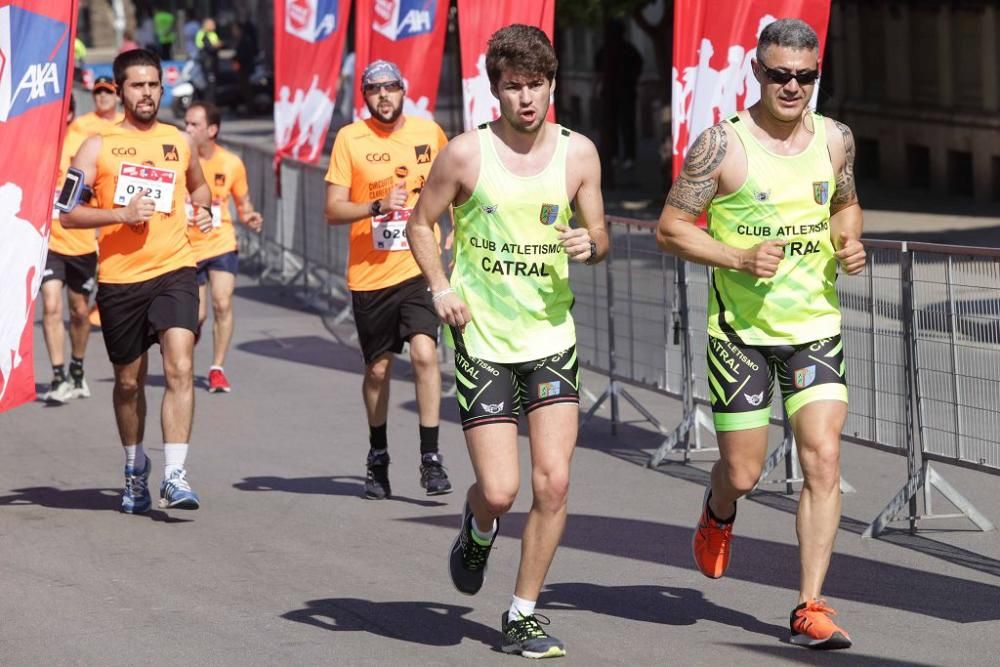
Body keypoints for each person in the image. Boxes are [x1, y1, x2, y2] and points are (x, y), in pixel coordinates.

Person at [655, 18, 865, 651]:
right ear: (757, 72)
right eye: (780, 74)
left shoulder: (835, 139)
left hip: (813, 327)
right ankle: (719, 510)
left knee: (822, 457)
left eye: (805, 76)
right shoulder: (723, 146)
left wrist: (849, 240)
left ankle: (809, 606)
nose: (793, 86)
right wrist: (739, 257)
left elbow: (845, 204)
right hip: (740, 332)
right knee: (743, 473)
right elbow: (670, 228)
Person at [406, 25, 608, 658]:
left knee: (553, 484)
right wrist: (440, 287)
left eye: (536, 85)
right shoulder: (466, 154)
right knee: (500, 490)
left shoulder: (580, 154)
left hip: (551, 337)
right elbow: (420, 223)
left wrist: (590, 244)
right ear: (495, 90)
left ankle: (522, 611)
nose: (526, 98)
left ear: (553, 85)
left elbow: (599, 234)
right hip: (483, 338)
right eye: (513, 87)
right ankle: (478, 524)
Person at [62, 49, 215, 514]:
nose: (146, 93)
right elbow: (67, 214)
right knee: (128, 383)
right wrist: (119, 215)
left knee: (180, 365)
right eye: (136, 85)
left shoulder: (178, 141)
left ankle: (175, 474)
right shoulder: (96, 145)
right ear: (119, 89)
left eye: (153, 85)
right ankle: (135, 467)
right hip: (120, 279)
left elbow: (200, 186)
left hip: (174, 269)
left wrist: (205, 208)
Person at [323, 60, 452, 500]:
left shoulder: (429, 134)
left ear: (404, 90)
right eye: (375, 89)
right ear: (365, 97)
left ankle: (431, 457)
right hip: (370, 276)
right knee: (377, 370)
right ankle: (378, 455)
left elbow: (457, 186)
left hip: (419, 268)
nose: (384, 95)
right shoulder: (350, 139)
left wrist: (454, 229)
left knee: (424, 354)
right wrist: (375, 205)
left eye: (391, 87)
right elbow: (333, 209)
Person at [184, 101, 263, 392]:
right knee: (198, 315)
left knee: (223, 301)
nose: (188, 129)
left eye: (194, 124)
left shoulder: (231, 163)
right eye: (187, 123)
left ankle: (217, 368)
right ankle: (184, 363)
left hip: (221, 242)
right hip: (188, 247)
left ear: (212, 130)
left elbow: (243, 203)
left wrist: (250, 216)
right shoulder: (180, 158)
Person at [39, 95, 97, 404]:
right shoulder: (34, 143)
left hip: (81, 242)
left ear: (70, 112)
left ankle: (77, 368)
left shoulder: (84, 144)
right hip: (48, 242)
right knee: (51, 305)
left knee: (78, 311)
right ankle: (58, 375)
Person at [594, 19, 643, 178]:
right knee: (620, 126)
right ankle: (621, 156)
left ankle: (622, 156)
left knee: (621, 125)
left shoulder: (621, 50)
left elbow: (598, 71)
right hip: (617, 94)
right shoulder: (623, 49)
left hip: (622, 93)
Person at [195, 19, 221, 103]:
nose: (214, 26)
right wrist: (217, 45)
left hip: (213, 62)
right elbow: (209, 47)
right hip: (208, 62)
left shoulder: (212, 33)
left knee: (213, 84)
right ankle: (209, 103)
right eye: (212, 24)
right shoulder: (203, 34)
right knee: (210, 84)